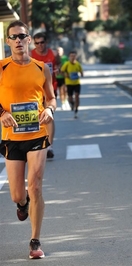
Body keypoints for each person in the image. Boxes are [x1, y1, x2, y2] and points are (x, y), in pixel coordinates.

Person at [0, 20, 56, 259]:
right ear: (7, 42)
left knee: (35, 185)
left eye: (22, 36)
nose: (18, 41)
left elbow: (51, 98)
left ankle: (35, 241)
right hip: (11, 137)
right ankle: (22, 204)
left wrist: (50, 110)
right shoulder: (1, 67)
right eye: (14, 37)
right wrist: (2, 113)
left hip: (36, 134)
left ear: (29, 39)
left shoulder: (41, 67)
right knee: (17, 194)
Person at [30, 32, 59, 159]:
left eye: (42, 42)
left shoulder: (53, 54)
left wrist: (57, 71)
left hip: (50, 89)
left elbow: (57, 66)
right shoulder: (31, 55)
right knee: (35, 119)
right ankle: (35, 144)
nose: (39, 45)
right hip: (35, 92)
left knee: (49, 117)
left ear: (46, 42)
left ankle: (49, 146)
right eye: (37, 43)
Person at [61, 50, 84, 119]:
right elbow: (62, 71)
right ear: (69, 57)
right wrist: (66, 75)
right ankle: (72, 103)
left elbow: (81, 72)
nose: (73, 57)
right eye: (71, 56)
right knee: (70, 98)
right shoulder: (67, 64)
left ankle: (76, 109)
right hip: (69, 83)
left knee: (77, 96)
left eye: (74, 56)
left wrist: (81, 74)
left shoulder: (78, 64)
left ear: (76, 57)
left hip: (77, 83)